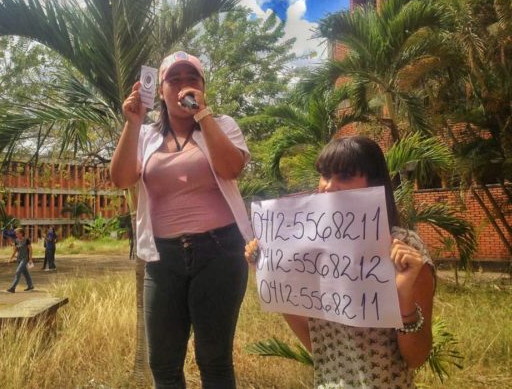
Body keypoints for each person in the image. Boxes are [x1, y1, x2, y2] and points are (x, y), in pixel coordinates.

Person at [245, 136, 435, 388]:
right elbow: (319, 348)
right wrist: (272, 276)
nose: (329, 187)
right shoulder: (311, 251)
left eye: (344, 176)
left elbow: (416, 358)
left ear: (373, 183)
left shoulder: (405, 252)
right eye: (325, 175)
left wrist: (404, 299)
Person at [111, 51, 252, 388]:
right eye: (174, 80)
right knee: (162, 362)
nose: (184, 86)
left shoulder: (223, 125)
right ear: (161, 91)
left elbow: (231, 168)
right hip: (163, 257)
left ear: (203, 87)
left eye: (192, 79)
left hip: (220, 252)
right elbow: (121, 178)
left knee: (214, 359)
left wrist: (203, 115)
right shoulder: (145, 135)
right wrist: (132, 122)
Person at [7, 227, 34, 293]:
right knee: (26, 273)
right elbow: (15, 251)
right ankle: (30, 286)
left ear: (21, 233)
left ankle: (12, 288)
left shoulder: (27, 240)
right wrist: (11, 258)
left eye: (17, 233)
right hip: (19, 259)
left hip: (25, 258)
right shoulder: (16, 241)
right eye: (16, 234)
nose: (16, 235)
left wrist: (30, 259)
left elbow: (30, 250)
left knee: (18, 271)